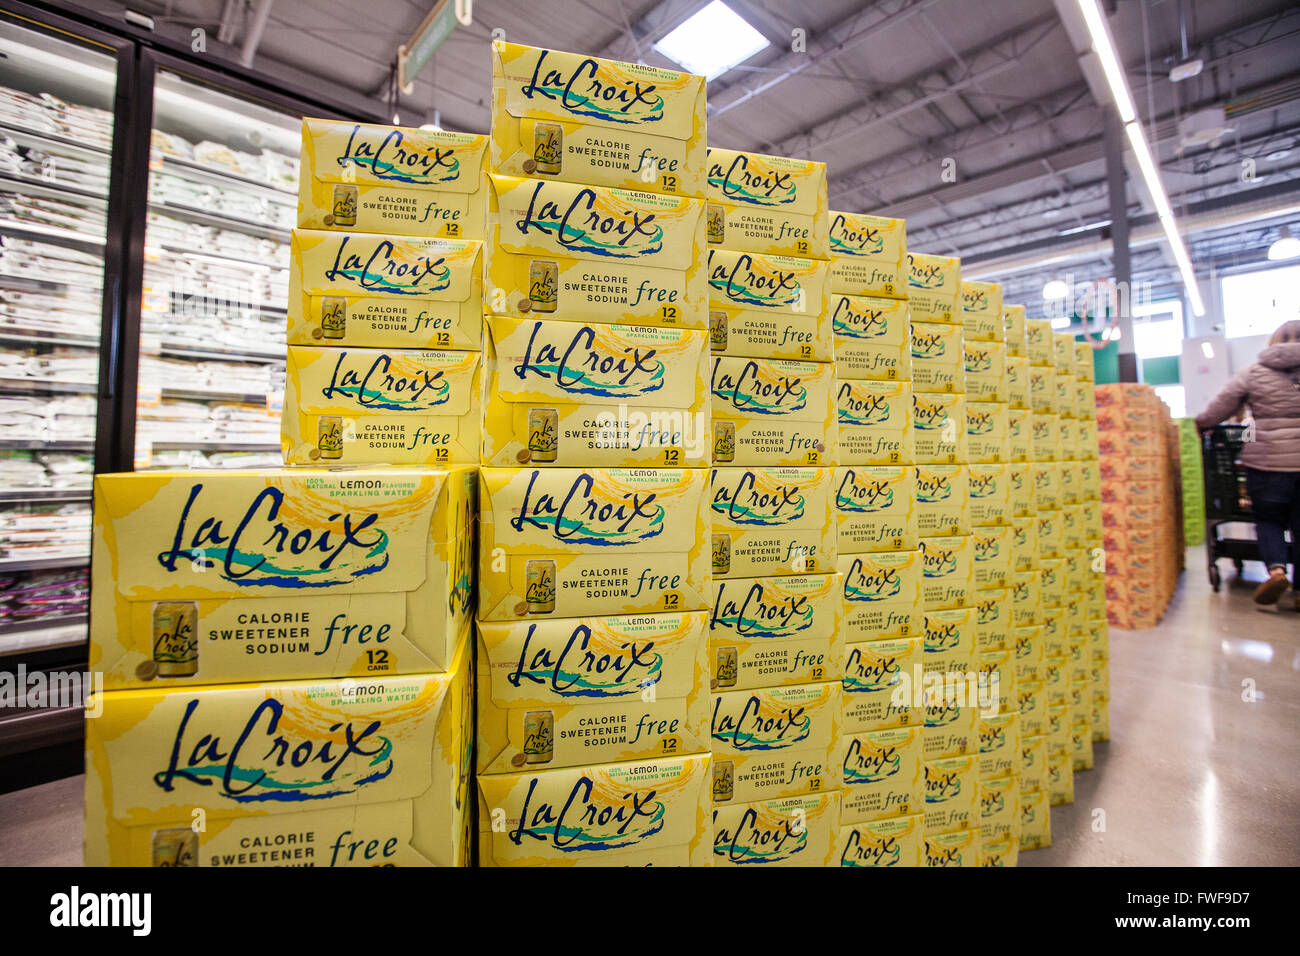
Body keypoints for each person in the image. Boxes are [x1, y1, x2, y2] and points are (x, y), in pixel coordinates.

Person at [1196, 319, 1300, 609]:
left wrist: (1202, 423)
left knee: (1268, 519)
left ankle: (1277, 571)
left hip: (1267, 462)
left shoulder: (1254, 373)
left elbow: (1223, 405)